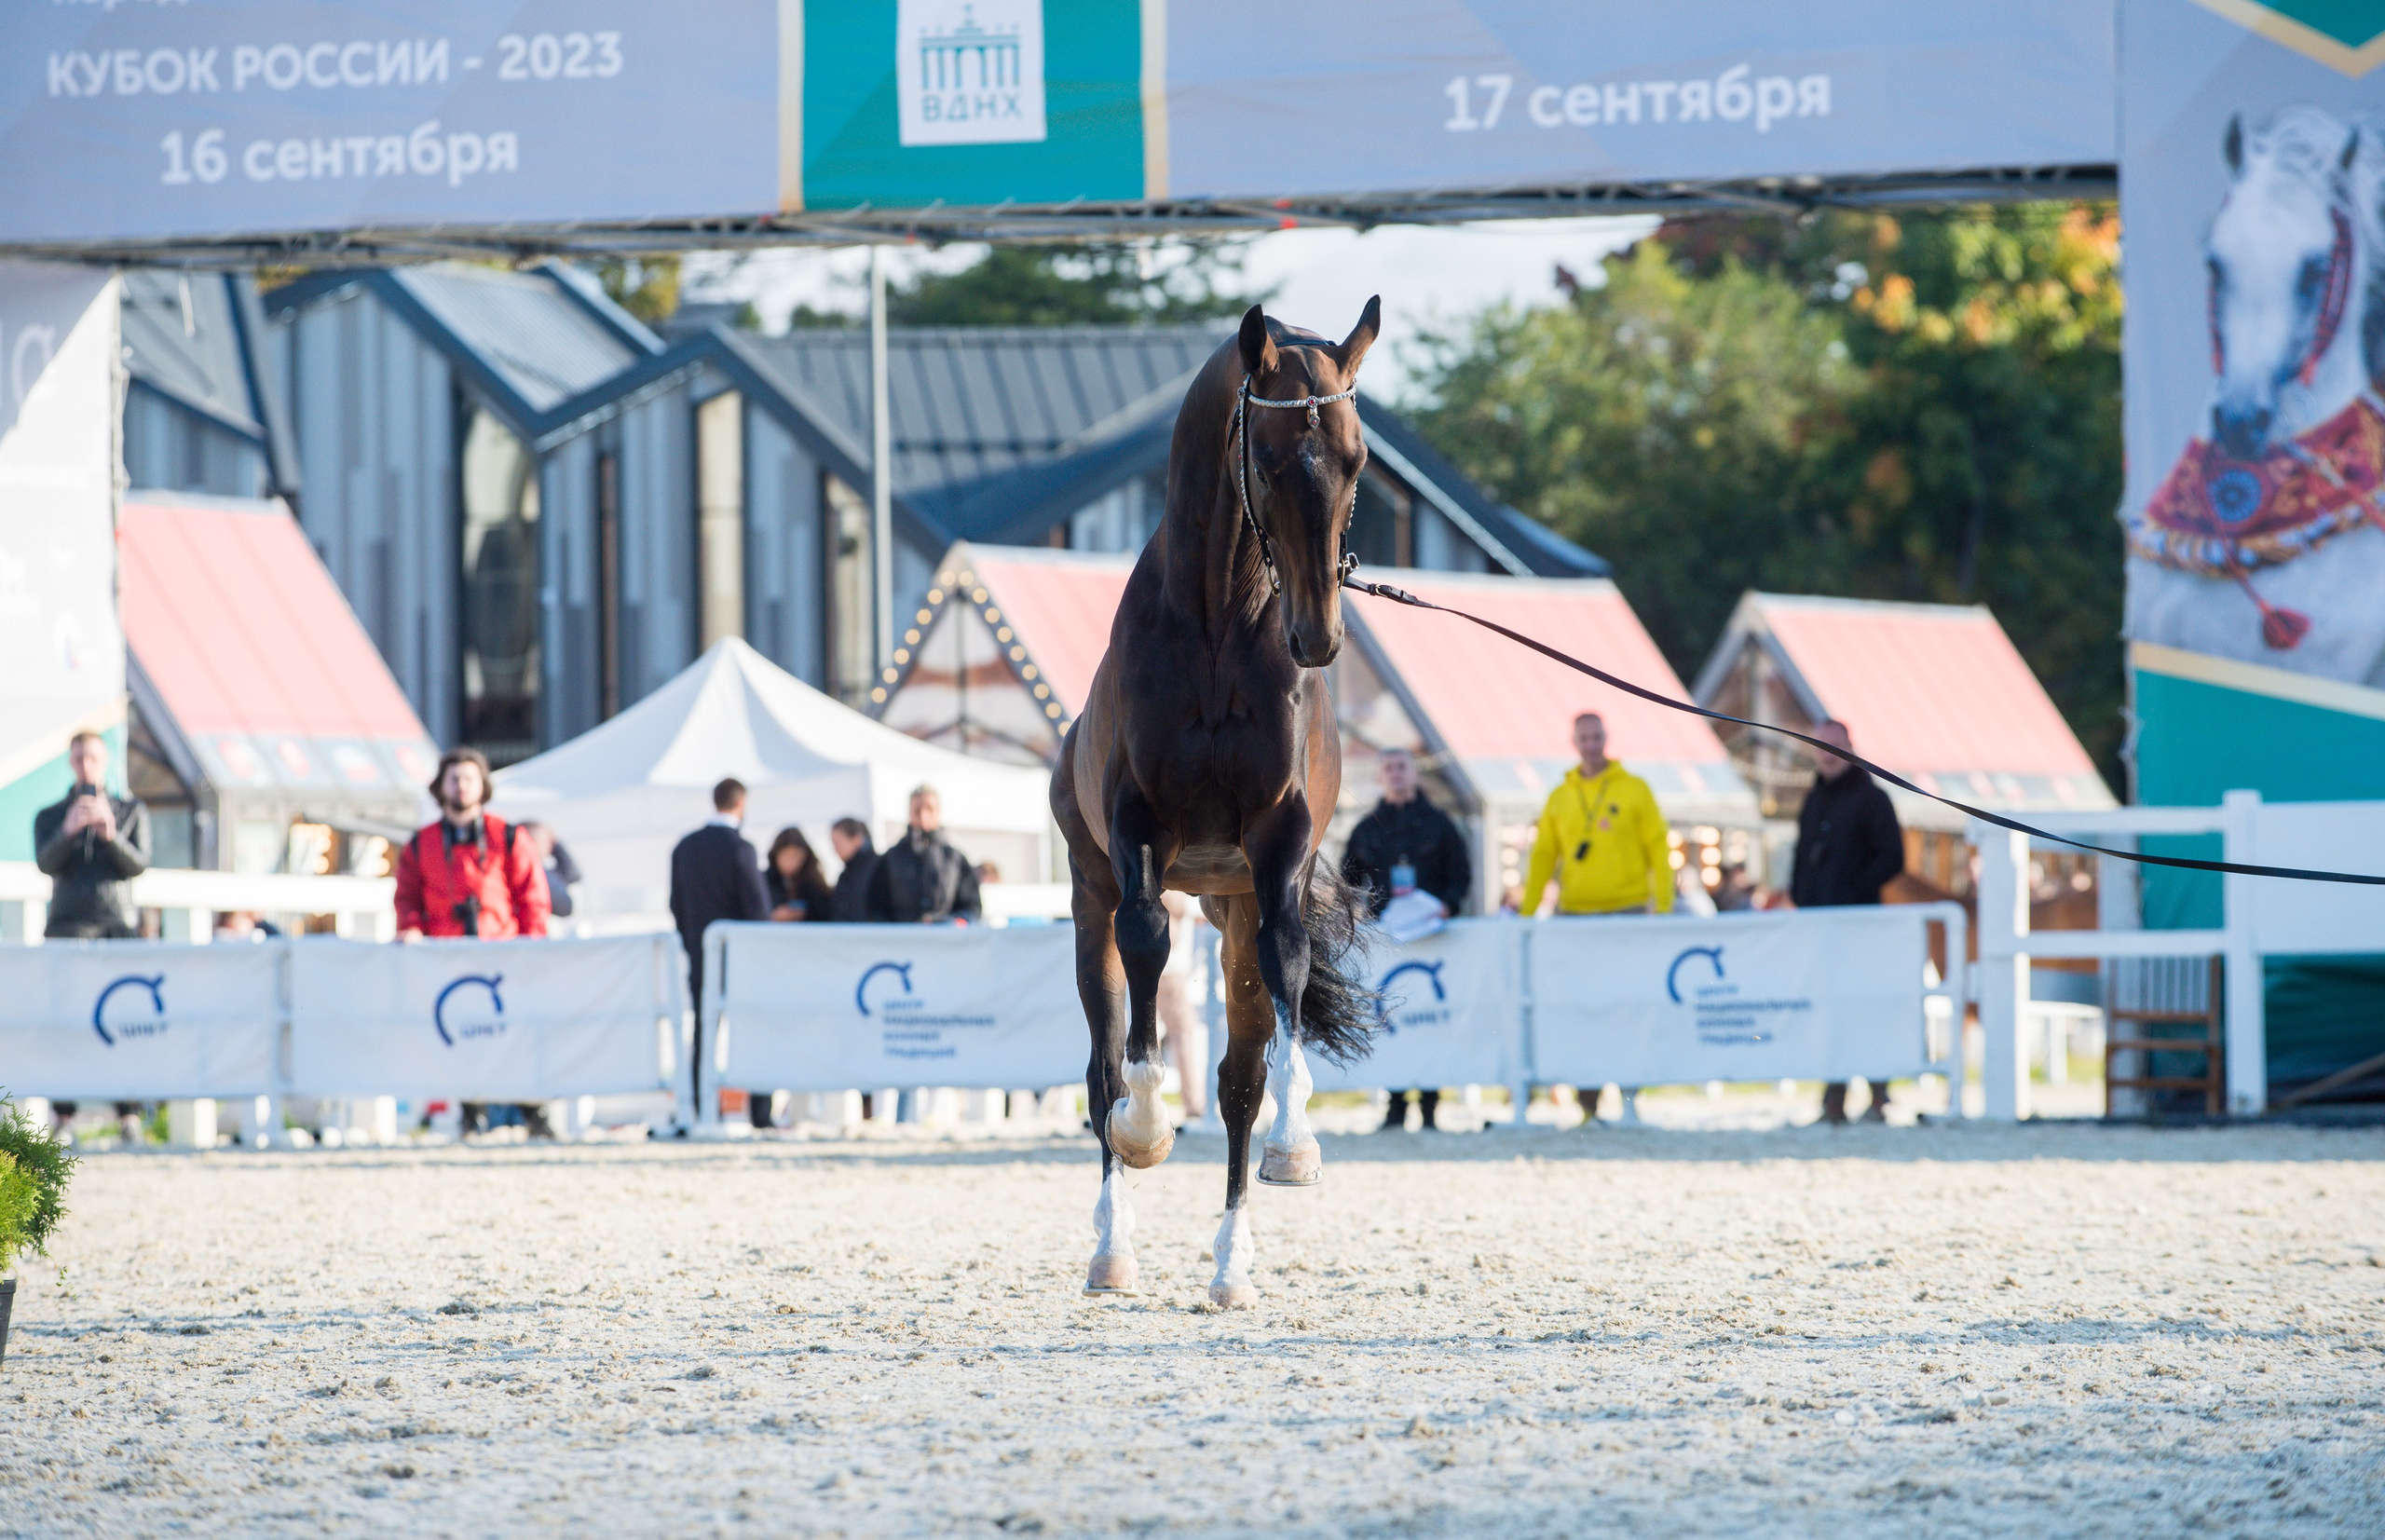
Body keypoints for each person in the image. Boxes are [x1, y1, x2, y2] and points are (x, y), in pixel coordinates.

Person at [1522, 713, 1672, 1127]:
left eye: (1597, 736)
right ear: (1574, 741)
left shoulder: (1635, 788)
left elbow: (1659, 849)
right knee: (1580, 1011)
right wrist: (1525, 915)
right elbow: (1542, 859)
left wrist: (1663, 906)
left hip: (1626, 913)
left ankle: (1628, 1097)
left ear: (1606, 738)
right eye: (1583, 737)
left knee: (1627, 1007)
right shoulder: (1559, 797)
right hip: (1574, 916)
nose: (1591, 743)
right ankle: (1588, 1105)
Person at [396, 747, 552, 1137]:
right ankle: (470, 1111)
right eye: (454, 778)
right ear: (440, 786)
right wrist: (411, 928)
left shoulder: (508, 836)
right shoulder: (421, 844)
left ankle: (532, 1110)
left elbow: (531, 894)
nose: (461, 786)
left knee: (515, 1032)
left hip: (504, 954)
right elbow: (407, 897)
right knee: (459, 1032)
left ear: (483, 786)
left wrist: (533, 943)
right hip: (448, 955)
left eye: (469, 778)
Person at [1341, 746, 1472, 1132]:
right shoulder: (1367, 829)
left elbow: (1460, 874)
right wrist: (1354, 913)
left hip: (1434, 939)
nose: (1396, 774)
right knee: (1390, 1020)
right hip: (1388, 942)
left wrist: (1448, 905)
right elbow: (1348, 881)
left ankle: (1431, 1107)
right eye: (1389, 769)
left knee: (1432, 1021)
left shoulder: (1441, 825)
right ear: (1381, 777)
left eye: (1402, 767)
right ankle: (1395, 1107)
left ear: (1414, 774)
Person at [35, 729, 154, 1144]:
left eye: (92, 758)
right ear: (71, 763)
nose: (86, 765)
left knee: (126, 1018)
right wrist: (69, 831)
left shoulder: (129, 810)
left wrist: (111, 834)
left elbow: (138, 864)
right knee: (65, 1021)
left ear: (105, 762)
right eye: (79, 758)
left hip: (117, 926)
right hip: (67, 927)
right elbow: (45, 863)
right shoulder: (51, 815)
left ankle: (128, 1115)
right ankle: (64, 1117)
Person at [1787, 719, 1907, 1125]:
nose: (1828, 755)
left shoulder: (1873, 799)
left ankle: (1878, 1097)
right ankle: (1834, 1099)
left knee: (1865, 1008)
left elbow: (1892, 858)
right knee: (1829, 1011)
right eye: (1821, 747)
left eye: (1835, 747)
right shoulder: (1812, 800)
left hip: (1860, 925)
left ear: (1850, 748)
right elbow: (1801, 858)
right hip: (1820, 927)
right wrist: (1801, 898)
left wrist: (1855, 889)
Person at [670, 779, 772, 1127]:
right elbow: (757, 909)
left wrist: (691, 942)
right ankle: (760, 1113)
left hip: (698, 952)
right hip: (738, 959)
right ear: (740, 803)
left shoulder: (684, 847)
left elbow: (676, 905)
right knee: (754, 1030)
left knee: (702, 1030)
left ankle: (701, 1108)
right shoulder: (740, 849)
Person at [865, 785, 981, 924]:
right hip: (902, 940)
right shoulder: (891, 858)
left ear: (938, 812)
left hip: (944, 941)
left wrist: (953, 923)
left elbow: (972, 907)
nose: (923, 816)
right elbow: (875, 906)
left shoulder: (954, 858)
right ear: (909, 813)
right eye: (917, 810)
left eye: (929, 809)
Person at [1157, 890, 1209, 1124]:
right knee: (1182, 1030)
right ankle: (1193, 1102)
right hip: (1166, 963)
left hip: (1164, 960)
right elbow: (1176, 903)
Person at [765, 827, 835, 922]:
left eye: (795, 856)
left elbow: (826, 915)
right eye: (786, 855)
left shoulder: (813, 884)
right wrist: (772, 916)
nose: (791, 862)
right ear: (776, 855)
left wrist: (806, 914)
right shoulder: (763, 882)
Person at [517, 821, 580, 922]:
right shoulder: (534, 875)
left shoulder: (540, 872)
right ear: (533, 842)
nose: (550, 848)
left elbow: (572, 875)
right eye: (547, 842)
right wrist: (557, 845)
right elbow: (566, 906)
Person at [828, 817, 880, 923]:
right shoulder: (845, 875)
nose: (835, 850)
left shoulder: (879, 868)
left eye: (837, 843)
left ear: (857, 840)